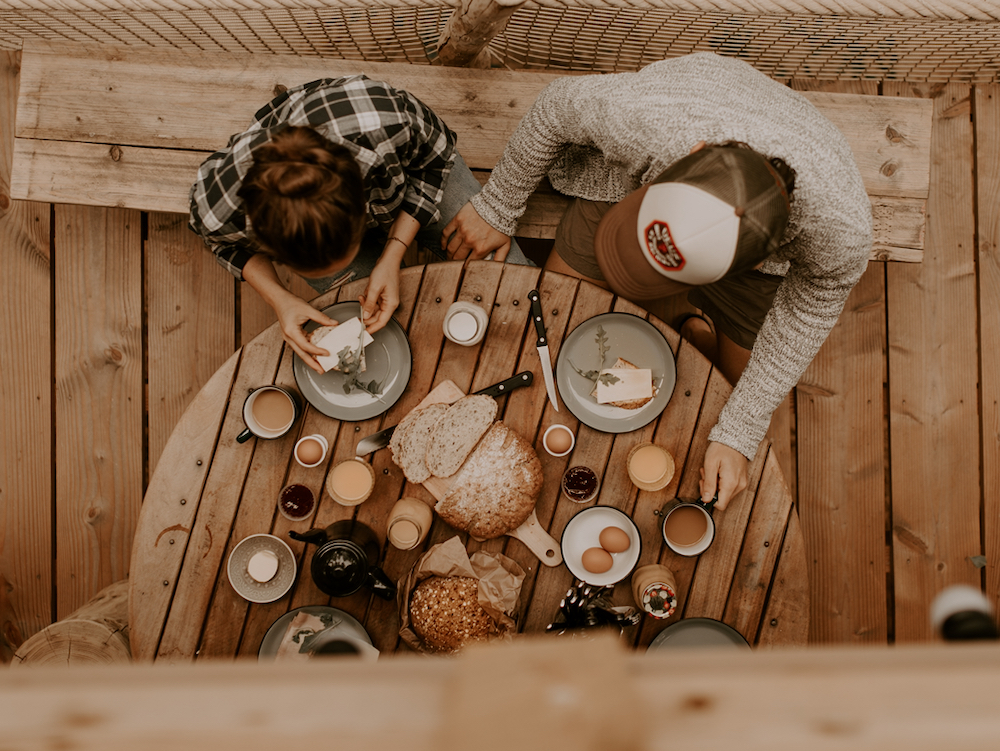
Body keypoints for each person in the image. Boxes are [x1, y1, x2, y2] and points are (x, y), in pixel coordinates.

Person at [442, 52, 872, 510]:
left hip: (758, 266)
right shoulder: (650, 117)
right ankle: (687, 326)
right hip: (624, 192)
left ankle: (697, 327)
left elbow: (814, 303)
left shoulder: (840, 230)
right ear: (692, 153)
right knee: (555, 318)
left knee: (727, 396)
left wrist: (740, 431)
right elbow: (555, 107)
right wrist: (500, 205)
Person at [189, 73, 530, 373]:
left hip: (410, 177)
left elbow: (435, 157)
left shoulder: (384, 120)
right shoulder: (219, 206)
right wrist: (279, 297)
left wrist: (393, 253)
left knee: (515, 281)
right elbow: (220, 243)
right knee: (375, 331)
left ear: (362, 204)